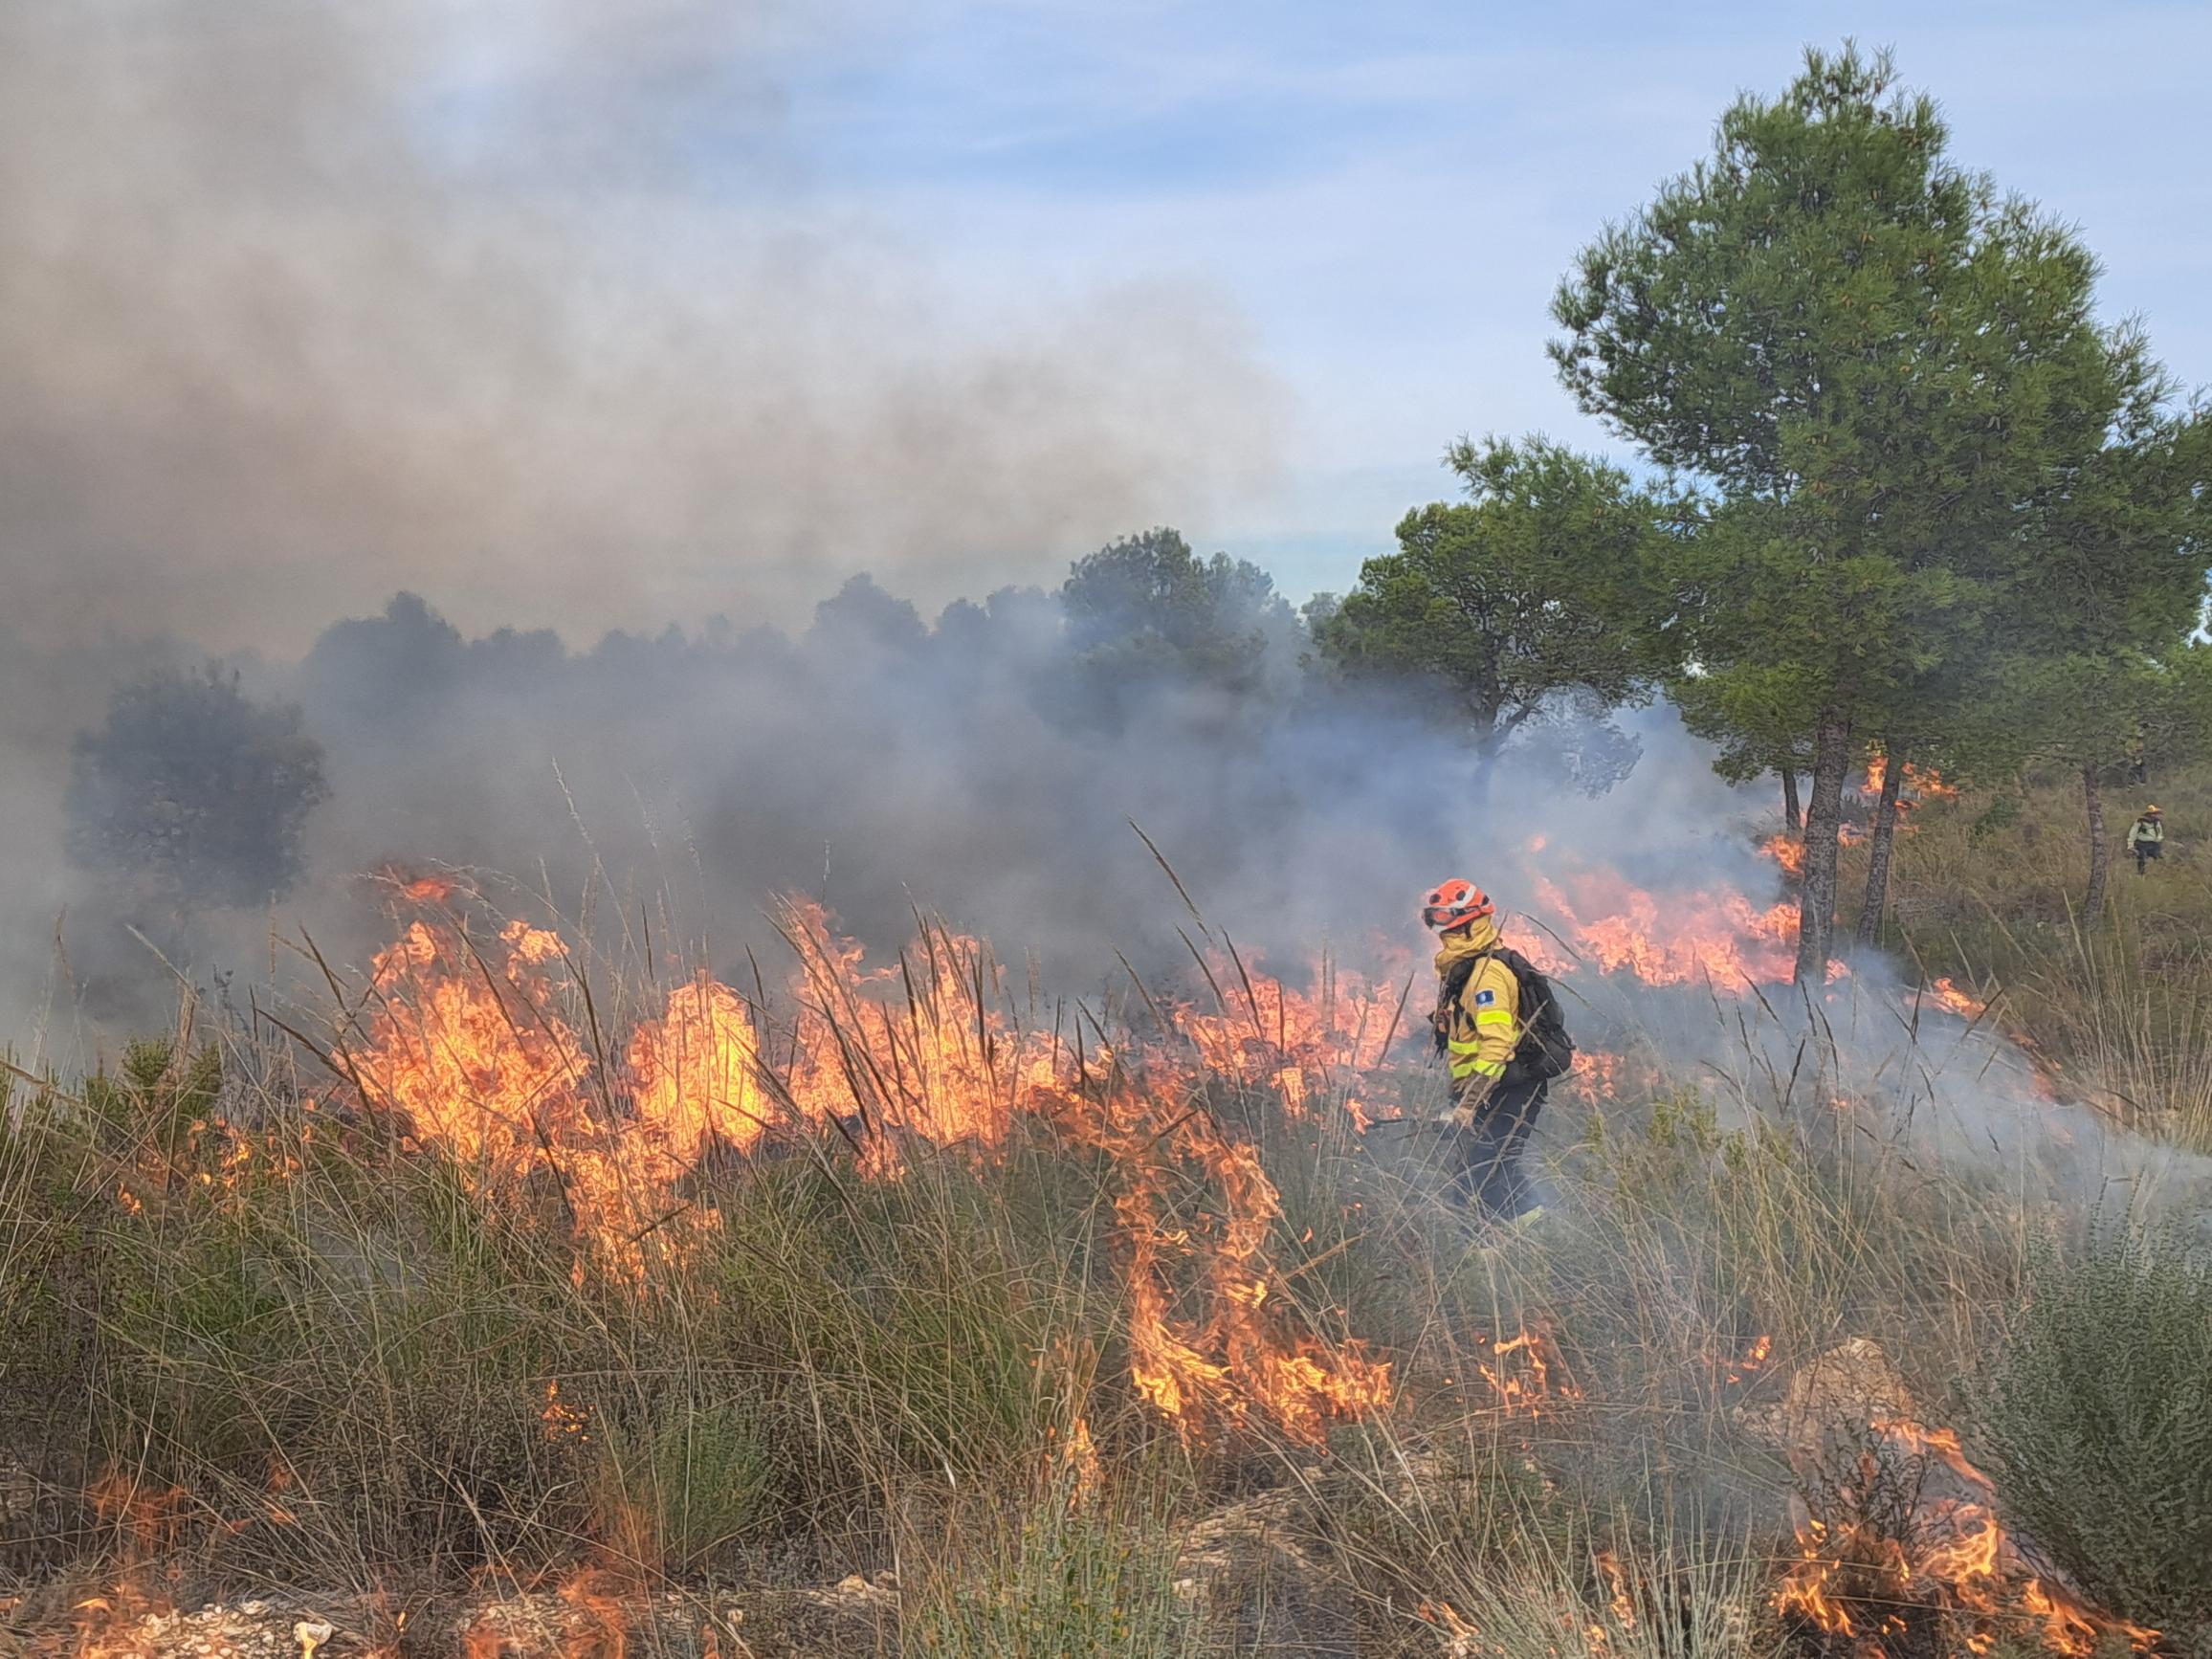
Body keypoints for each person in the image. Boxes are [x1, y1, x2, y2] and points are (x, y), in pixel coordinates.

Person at [1422, 877, 1570, 1225]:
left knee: (1483, 1171)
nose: (1446, 937)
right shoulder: (1467, 972)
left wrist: (1467, 1106)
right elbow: (1465, 1049)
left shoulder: (1486, 977)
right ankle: (1540, 1231)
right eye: (1442, 926)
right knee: (1497, 1166)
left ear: (1473, 924)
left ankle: (1486, 1245)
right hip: (1492, 1088)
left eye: (1452, 928)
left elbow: (1496, 1046)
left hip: (1510, 1088)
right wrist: (1457, 1098)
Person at [2128, 805, 2165, 875]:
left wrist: (2159, 840)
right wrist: (2130, 846)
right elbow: (2132, 834)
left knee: (2160, 860)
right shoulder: (2140, 822)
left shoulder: (2157, 823)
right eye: (2156, 814)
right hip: (2142, 844)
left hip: (2154, 844)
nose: (2158, 815)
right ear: (2151, 815)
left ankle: (2160, 874)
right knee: (2142, 860)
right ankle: (2141, 875)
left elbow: (2160, 833)